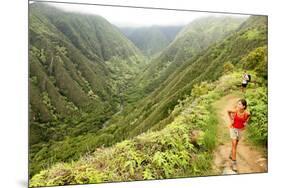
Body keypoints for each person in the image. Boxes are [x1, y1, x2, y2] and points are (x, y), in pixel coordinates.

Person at [227, 99, 250, 171]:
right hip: (233, 128)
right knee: (234, 144)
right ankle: (234, 163)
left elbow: (248, 117)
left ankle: (231, 154)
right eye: (238, 104)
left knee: (236, 144)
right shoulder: (235, 111)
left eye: (240, 104)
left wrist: (246, 122)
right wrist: (231, 119)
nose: (238, 105)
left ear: (243, 106)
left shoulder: (246, 114)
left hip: (240, 130)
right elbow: (228, 111)